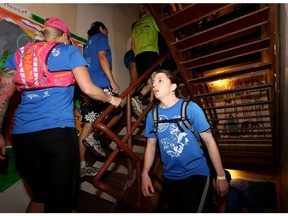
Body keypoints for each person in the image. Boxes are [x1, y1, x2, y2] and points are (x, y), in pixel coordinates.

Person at [0, 17, 122, 213]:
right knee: (60, 204)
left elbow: (3, 95)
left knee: (40, 195)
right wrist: (111, 100)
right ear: (65, 36)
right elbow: (89, 89)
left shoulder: (19, 54)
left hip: (22, 138)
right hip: (57, 135)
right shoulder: (69, 51)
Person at [141, 69, 229, 213]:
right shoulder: (152, 115)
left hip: (196, 173)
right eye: (153, 81)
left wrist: (220, 176)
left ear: (173, 87)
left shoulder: (191, 109)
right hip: (170, 177)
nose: (154, 84)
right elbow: (151, 147)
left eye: (160, 80)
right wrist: (145, 173)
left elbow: (209, 142)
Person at [78, 21, 123, 178]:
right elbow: (102, 57)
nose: (107, 33)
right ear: (102, 29)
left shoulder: (87, 44)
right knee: (119, 112)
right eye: (106, 29)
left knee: (88, 125)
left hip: (87, 88)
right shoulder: (101, 37)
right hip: (101, 85)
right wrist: (112, 81)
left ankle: (81, 165)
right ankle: (96, 136)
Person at [131, 4, 160, 117]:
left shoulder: (136, 25)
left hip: (139, 56)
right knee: (155, 80)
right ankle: (150, 105)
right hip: (150, 52)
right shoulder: (152, 19)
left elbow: (133, 45)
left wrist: (138, 55)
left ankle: (140, 98)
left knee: (150, 82)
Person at [124, 21, 138, 90]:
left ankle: (131, 98)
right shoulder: (136, 36)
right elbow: (134, 47)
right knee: (134, 81)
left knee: (135, 80)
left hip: (128, 56)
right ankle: (128, 100)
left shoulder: (131, 37)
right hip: (132, 54)